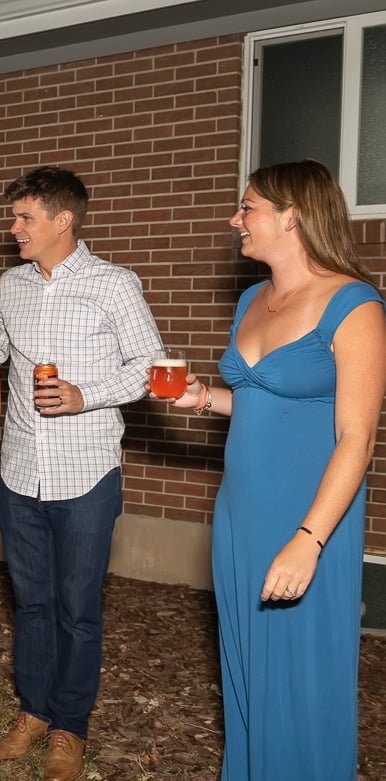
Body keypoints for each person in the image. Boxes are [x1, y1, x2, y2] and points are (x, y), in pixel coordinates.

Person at [163, 160, 385, 780]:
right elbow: (265, 395)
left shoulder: (354, 305)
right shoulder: (250, 300)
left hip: (309, 519)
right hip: (239, 515)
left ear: (291, 216)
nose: (236, 219)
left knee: (303, 684)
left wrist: (309, 541)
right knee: (247, 675)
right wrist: (206, 398)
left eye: (248, 206)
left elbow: (356, 437)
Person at [0, 166, 163, 781]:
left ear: (64, 221)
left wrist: (86, 394)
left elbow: (149, 367)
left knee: (76, 607)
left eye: (24, 217)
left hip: (86, 475)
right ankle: (33, 711)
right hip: (19, 471)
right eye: (15, 217)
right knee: (31, 604)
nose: (14, 229)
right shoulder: (11, 285)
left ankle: (69, 727)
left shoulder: (115, 284)